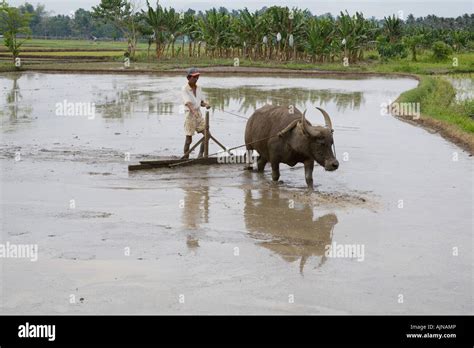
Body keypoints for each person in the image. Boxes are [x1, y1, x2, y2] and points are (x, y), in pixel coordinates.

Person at [181, 67, 211, 159]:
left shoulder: (199, 88)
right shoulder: (184, 89)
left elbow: (200, 102)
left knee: (207, 135)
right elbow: (188, 103)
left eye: (197, 77)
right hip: (189, 115)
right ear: (189, 78)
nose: (196, 79)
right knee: (189, 139)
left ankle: (200, 155)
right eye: (194, 77)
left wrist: (205, 104)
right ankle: (186, 157)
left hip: (198, 114)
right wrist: (194, 112)